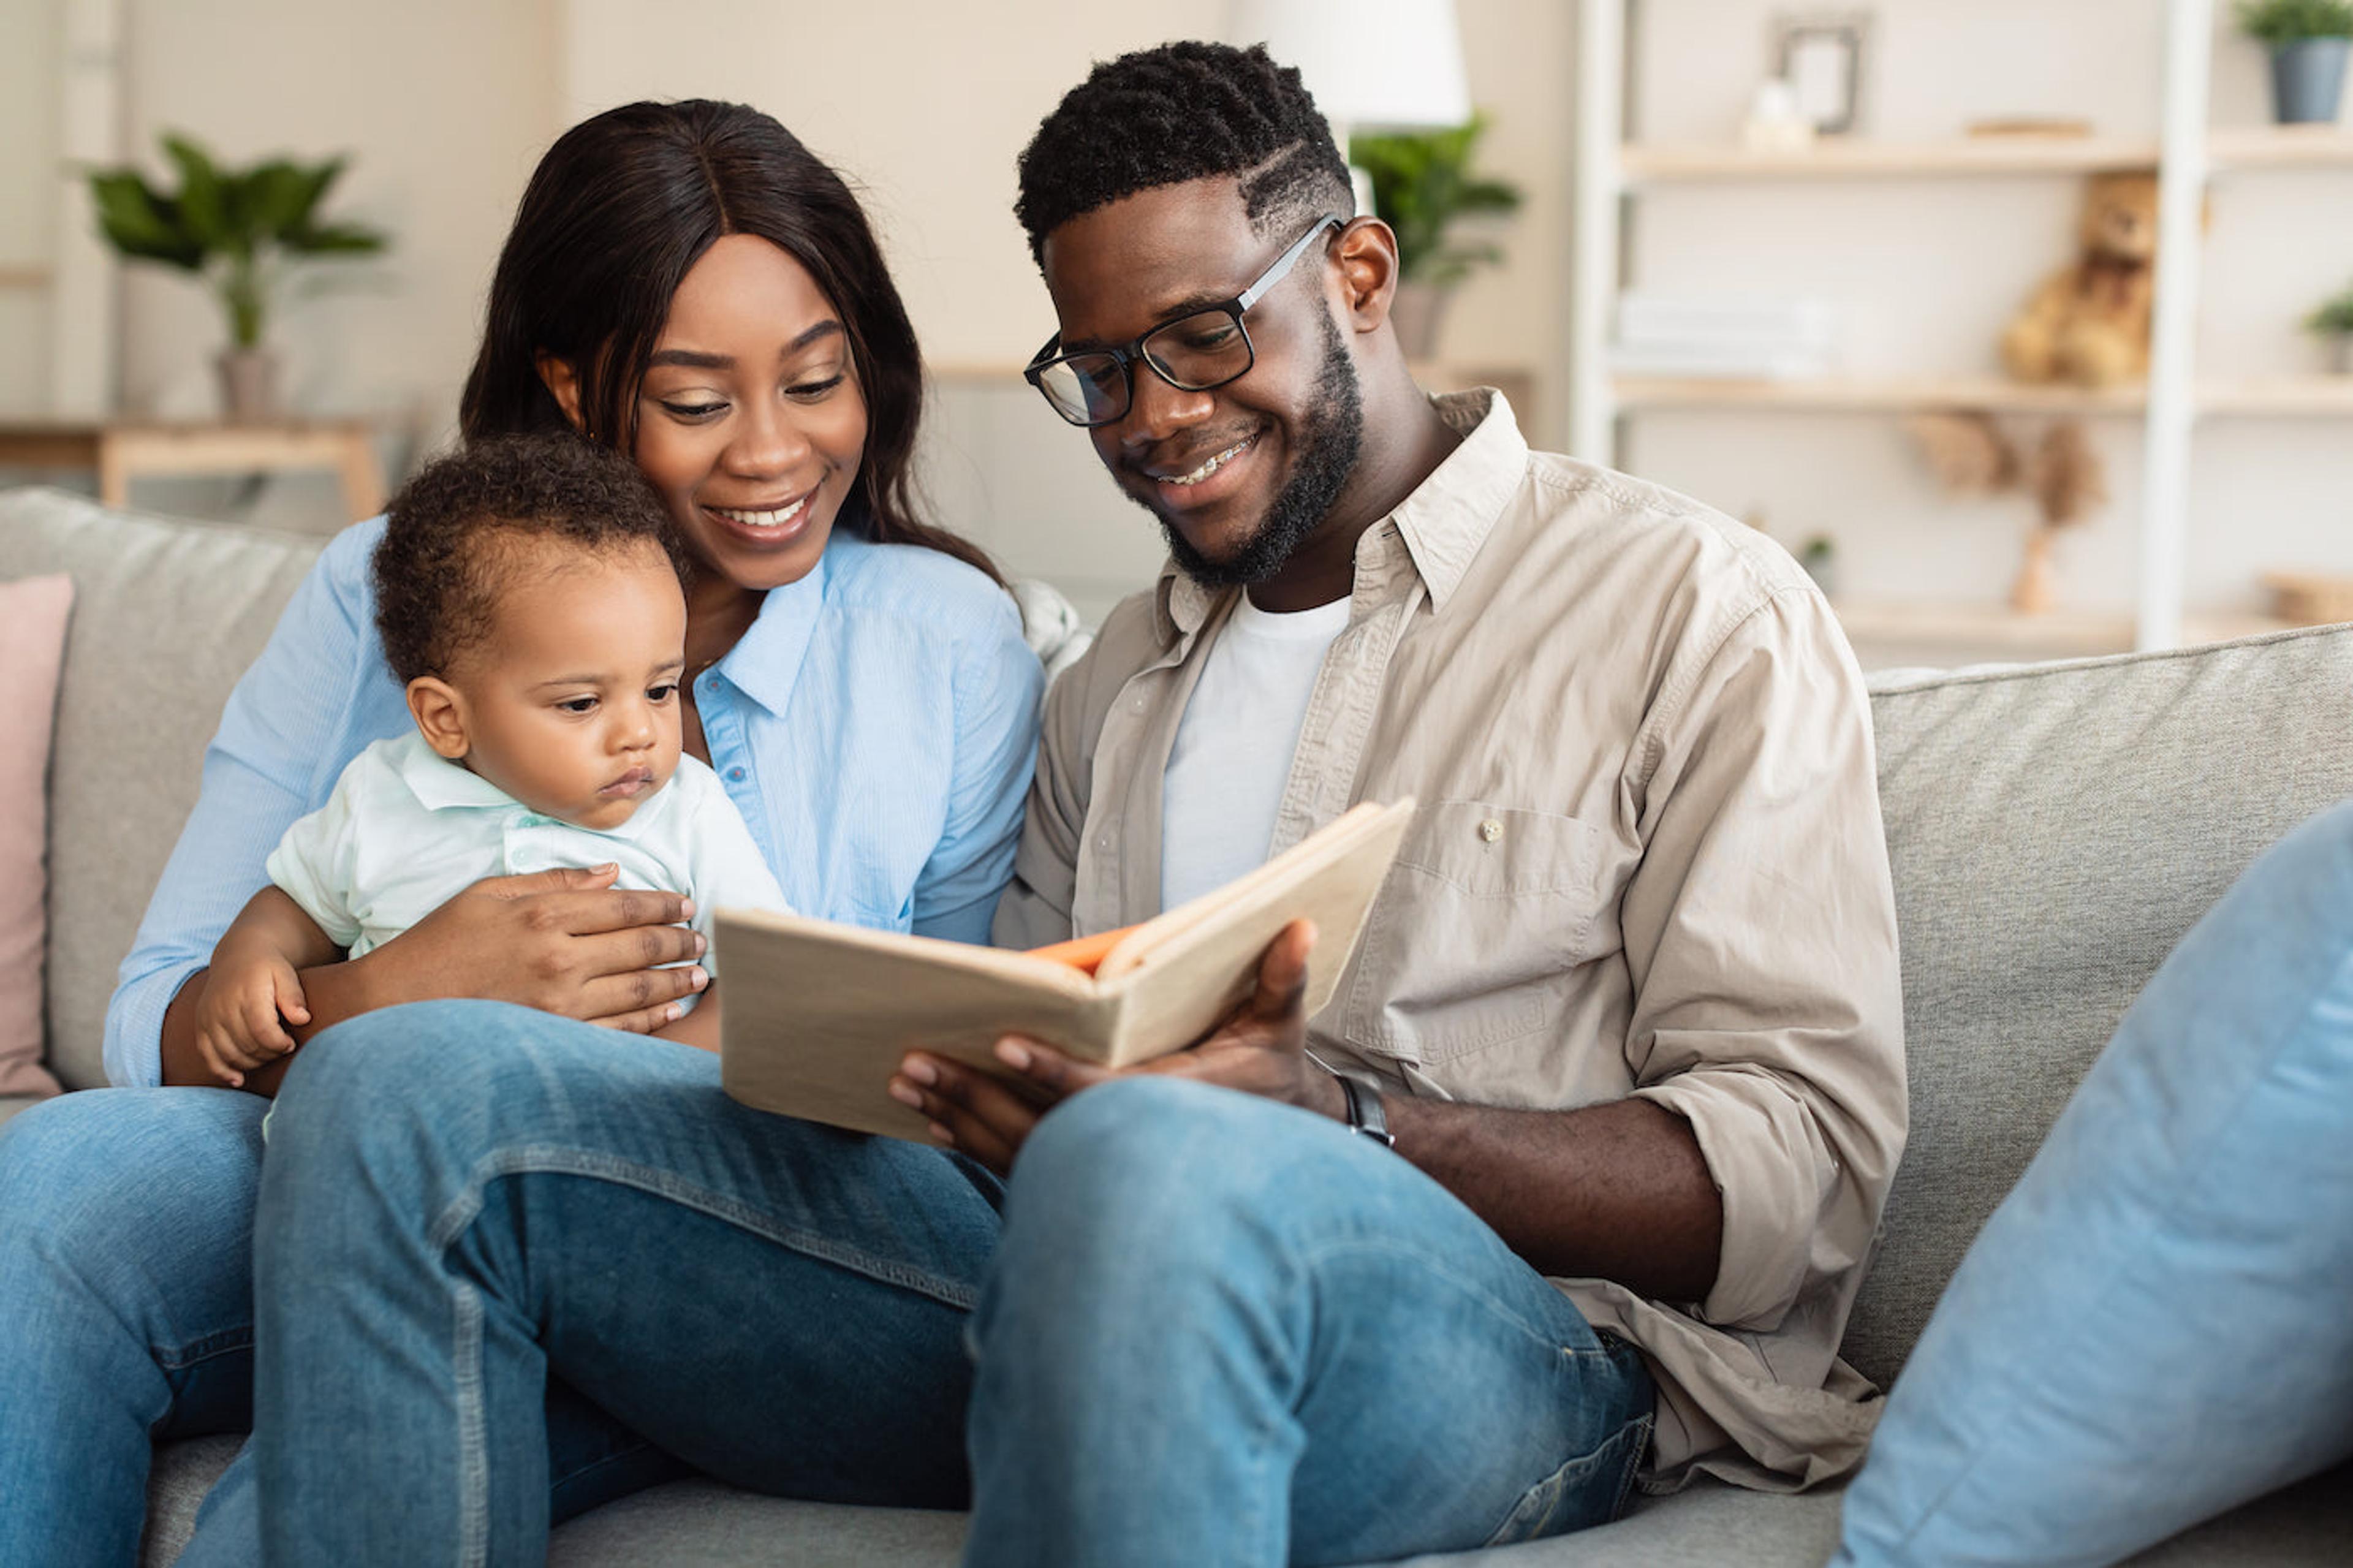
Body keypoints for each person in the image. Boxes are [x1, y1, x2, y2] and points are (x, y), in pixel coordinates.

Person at [242, 42, 1906, 1567]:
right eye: (1100, 370)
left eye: (1202, 335)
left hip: (1530, 1343)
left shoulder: (1690, 606)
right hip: (1051, 1279)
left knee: (1156, 1153)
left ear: (1360, 271)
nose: (1157, 416)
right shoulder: (1114, 679)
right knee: (401, 1079)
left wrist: (1344, 1121)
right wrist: (965, 1076)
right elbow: (1013, 1080)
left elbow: (1802, 1174)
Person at [0, 99, 1042, 1568]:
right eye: (695, 401)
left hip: (768, 1235)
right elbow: (150, 1017)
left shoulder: (944, 641)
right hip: (380, 1176)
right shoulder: (386, 590)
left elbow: (950, 1087)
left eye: (818, 381)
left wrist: (621, 1071)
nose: (773, 452)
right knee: (48, 1191)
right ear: (570, 384)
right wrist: (397, 993)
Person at [194, 435, 790, 1088]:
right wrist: (248, 959)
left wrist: (651, 1078)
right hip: (384, 1133)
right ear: (447, 719)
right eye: (582, 703)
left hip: (613, 1131)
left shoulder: (687, 809)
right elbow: (296, 907)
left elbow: (768, 981)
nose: (639, 733)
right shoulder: (381, 795)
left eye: (658, 690)